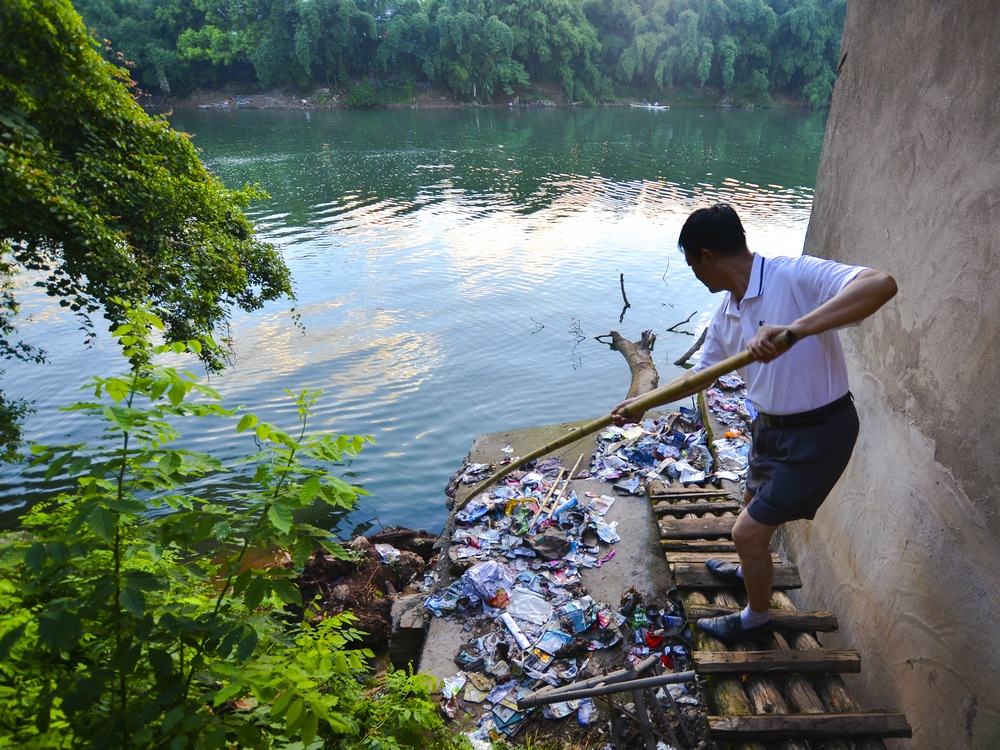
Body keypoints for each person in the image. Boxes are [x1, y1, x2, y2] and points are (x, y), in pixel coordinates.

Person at [612, 203, 897, 644]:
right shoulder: (727, 313)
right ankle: (748, 568)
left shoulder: (792, 275)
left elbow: (881, 285)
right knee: (748, 504)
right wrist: (643, 404)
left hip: (821, 433)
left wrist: (796, 329)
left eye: (692, 265)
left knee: (745, 529)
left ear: (707, 257)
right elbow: (697, 378)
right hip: (771, 430)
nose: (695, 275)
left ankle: (756, 620)